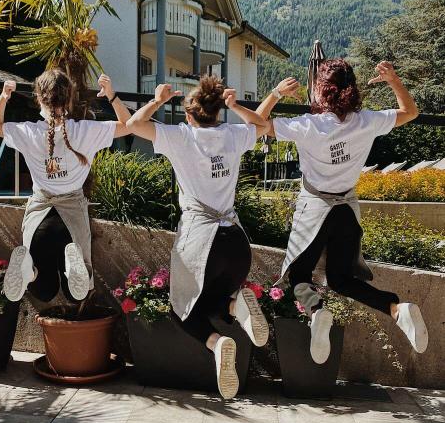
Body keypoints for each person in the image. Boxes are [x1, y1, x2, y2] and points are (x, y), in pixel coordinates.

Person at [126, 75, 299, 399]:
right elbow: (261, 124)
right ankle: (235, 310)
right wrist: (272, 94)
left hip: (201, 243)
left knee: (181, 310)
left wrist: (158, 100)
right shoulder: (232, 134)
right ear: (220, 111)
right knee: (210, 304)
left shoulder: (181, 136)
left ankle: (218, 342)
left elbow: (134, 123)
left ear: (189, 114)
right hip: (236, 244)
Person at [257, 59, 428, 363]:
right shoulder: (366, 121)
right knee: (340, 279)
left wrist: (276, 93)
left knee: (298, 275)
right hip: (346, 210)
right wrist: (393, 80)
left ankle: (317, 312)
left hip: (315, 211)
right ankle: (395, 309)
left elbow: (256, 124)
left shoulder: (308, 125)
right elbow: (410, 112)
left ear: (322, 90)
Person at [0, 70, 131, 303]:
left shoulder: (28, 131)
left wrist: (4, 97)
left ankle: (29, 272)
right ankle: (73, 267)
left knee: (44, 292)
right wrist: (111, 95)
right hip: (71, 220)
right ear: (70, 98)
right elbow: (129, 124)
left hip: (39, 219)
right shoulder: (85, 130)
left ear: (38, 97)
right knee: (77, 295)